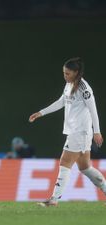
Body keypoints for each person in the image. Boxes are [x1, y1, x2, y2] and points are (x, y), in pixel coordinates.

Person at [29, 57, 104, 206]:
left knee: (65, 161)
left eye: (68, 73)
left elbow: (93, 110)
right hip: (75, 131)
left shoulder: (85, 89)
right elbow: (62, 101)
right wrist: (41, 112)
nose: (65, 76)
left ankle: (54, 199)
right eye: (64, 73)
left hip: (81, 132)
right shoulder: (69, 84)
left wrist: (97, 131)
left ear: (76, 72)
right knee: (85, 167)